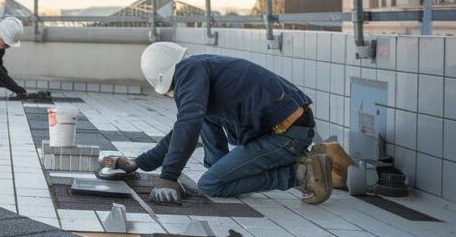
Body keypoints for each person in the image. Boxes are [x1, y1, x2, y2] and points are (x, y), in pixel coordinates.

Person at [101, 42, 333, 205]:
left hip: (287, 136)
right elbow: (183, 128)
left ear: (165, 79)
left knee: (210, 185)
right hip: (289, 128)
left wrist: (169, 177)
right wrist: (138, 163)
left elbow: (187, 124)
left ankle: (300, 173)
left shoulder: (190, 72)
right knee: (205, 120)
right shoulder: (200, 68)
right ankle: (224, 170)